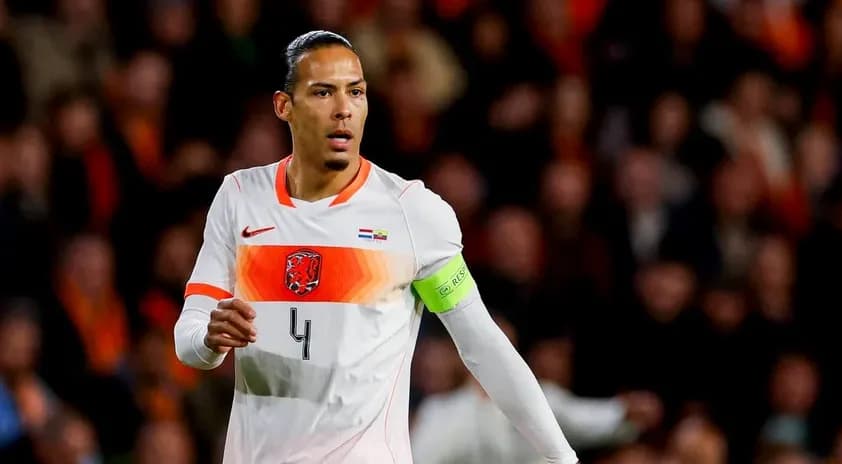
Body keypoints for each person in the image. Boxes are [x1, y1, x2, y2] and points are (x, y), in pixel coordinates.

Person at [173, 30, 579, 464]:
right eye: (323, 92)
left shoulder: (412, 214)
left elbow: (483, 346)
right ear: (284, 106)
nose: (343, 109)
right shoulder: (239, 197)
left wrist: (561, 457)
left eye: (356, 92)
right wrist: (210, 342)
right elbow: (190, 338)